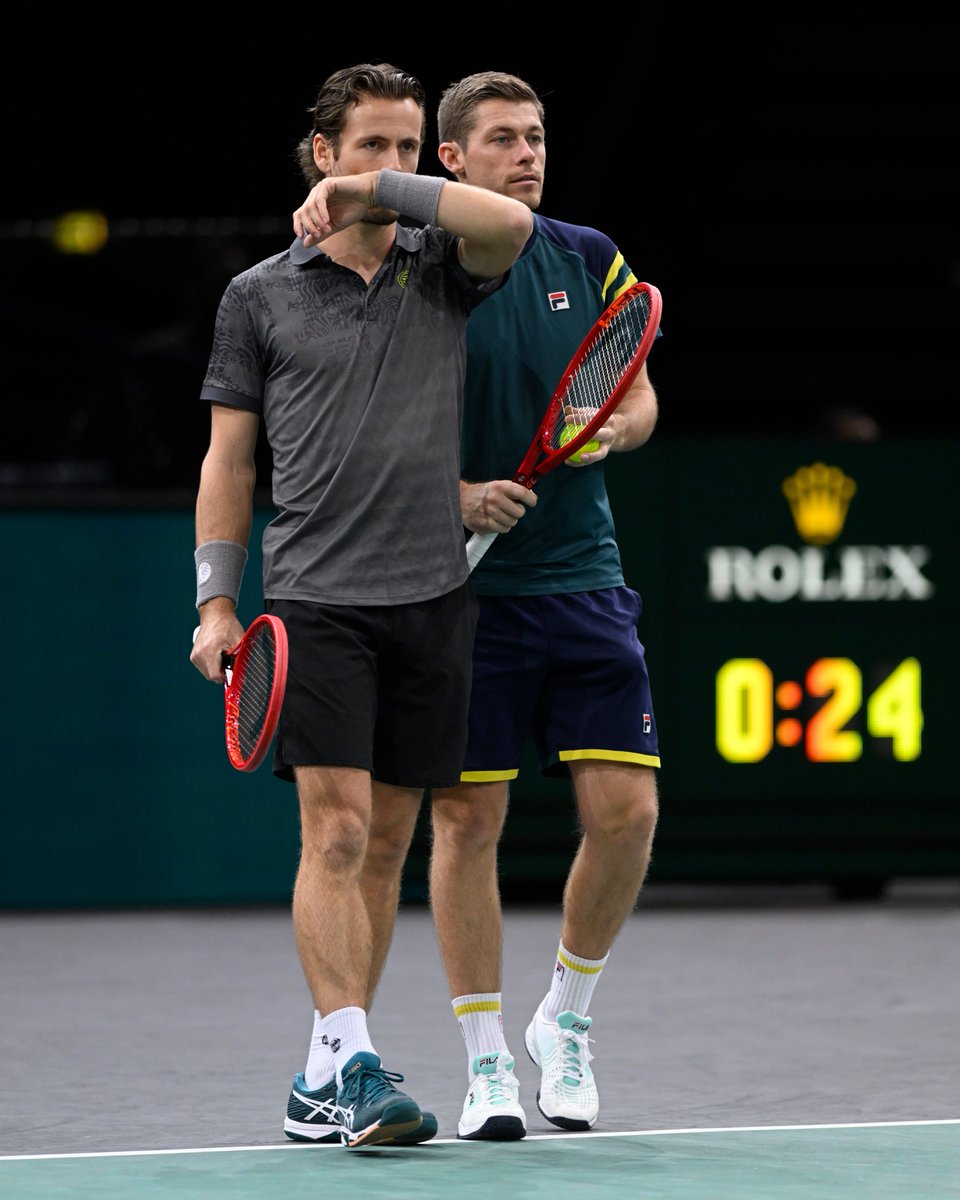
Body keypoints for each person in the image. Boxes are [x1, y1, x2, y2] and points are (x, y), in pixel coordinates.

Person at [190, 62, 532, 1151]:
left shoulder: (443, 263)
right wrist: (215, 601)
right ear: (320, 154)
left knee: (386, 841)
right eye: (370, 145)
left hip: (433, 596)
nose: (393, 162)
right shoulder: (259, 295)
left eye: (408, 146)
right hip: (316, 602)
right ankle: (357, 1062)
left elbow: (511, 224)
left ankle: (319, 1076)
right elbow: (229, 462)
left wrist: (375, 192)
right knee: (335, 830)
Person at [429, 71, 662, 1140]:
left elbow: (638, 389)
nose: (526, 155)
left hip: (583, 578)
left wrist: (611, 429)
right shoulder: (415, 273)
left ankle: (565, 1016)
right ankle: (484, 1061)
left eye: (535, 137)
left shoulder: (587, 254)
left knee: (627, 814)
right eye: (502, 140)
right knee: (468, 819)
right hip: (460, 592)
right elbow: (367, 434)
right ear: (451, 160)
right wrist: (458, 496)